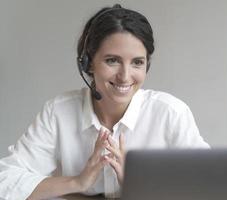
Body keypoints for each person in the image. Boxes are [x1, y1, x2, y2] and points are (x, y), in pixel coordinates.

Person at [0, 4, 210, 200]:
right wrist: (77, 182)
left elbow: (208, 185)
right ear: (88, 63)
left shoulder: (170, 113)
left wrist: (140, 186)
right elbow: (5, 182)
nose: (125, 76)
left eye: (137, 62)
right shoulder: (59, 112)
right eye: (112, 60)